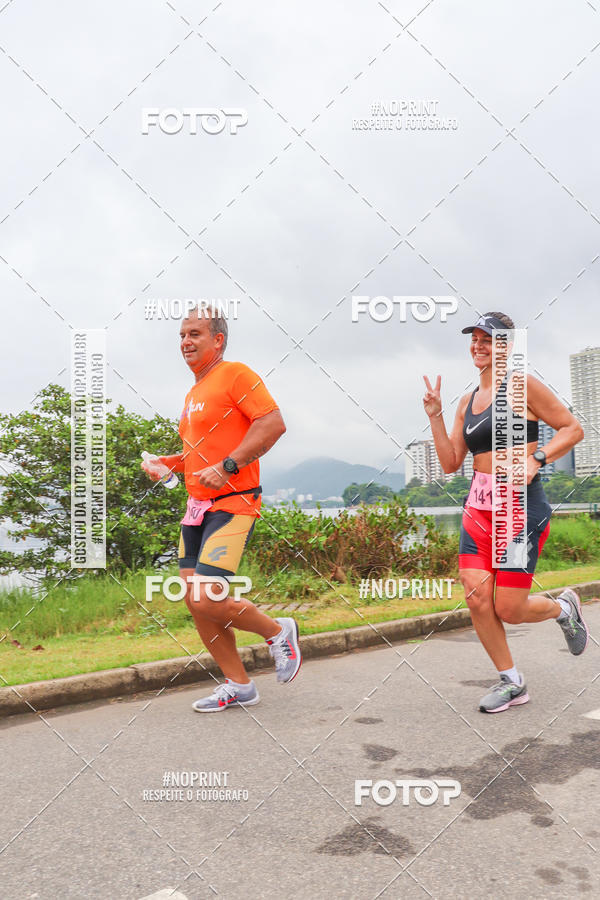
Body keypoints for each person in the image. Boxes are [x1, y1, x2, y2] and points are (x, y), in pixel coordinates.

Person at [422, 311, 587, 713]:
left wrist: (538, 459)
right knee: (477, 597)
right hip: (478, 508)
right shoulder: (466, 402)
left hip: (517, 508)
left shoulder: (522, 386)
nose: (479, 345)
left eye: (489, 339)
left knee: (509, 609)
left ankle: (564, 608)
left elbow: (572, 428)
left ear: (507, 347)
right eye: (474, 339)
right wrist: (435, 416)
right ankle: (511, 682)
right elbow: (449, 463)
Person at [142, 305, 302, 712]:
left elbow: (273, 423)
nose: (185, 342)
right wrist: (166, 463)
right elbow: (197, 457)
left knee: (208, 597)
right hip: (196, 508)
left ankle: (278, 631)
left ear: (218, 339)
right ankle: (239, 685)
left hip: (234, 503)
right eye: (181, 335)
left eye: (194, 333)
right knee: (194, 600)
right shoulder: (194, 392)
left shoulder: (237, 374)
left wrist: (229, 465)